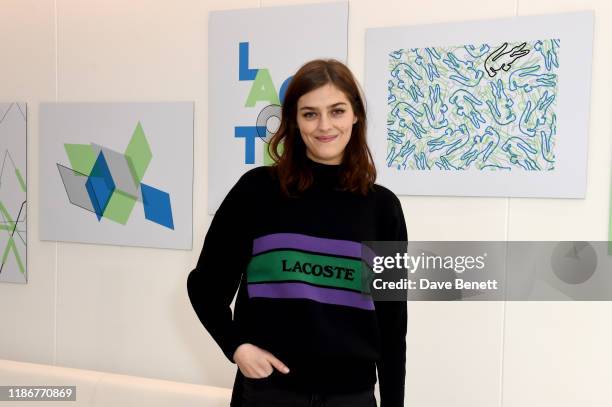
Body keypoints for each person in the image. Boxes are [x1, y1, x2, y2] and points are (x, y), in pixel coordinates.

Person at [187, 59, 407, 407]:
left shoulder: (382, 208)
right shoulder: (257, 191)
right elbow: (204, 287)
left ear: (356, 116)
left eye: (336, 111)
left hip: (352, 397)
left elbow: (392, 325)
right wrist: (236, 346)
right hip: (269, 394)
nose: (324, 125)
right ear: (293, 120)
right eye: (309, 114)